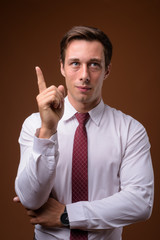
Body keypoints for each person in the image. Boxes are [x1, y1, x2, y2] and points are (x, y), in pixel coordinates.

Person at [14, 26, 154, 240]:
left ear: (107, 70)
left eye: (94, 65)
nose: (85, 75)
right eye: (75, 64)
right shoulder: (34, 124)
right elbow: (31, 200)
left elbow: (140, 202)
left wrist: (67, 215)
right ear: (62, 67)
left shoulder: (130, 130)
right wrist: (48, 131)